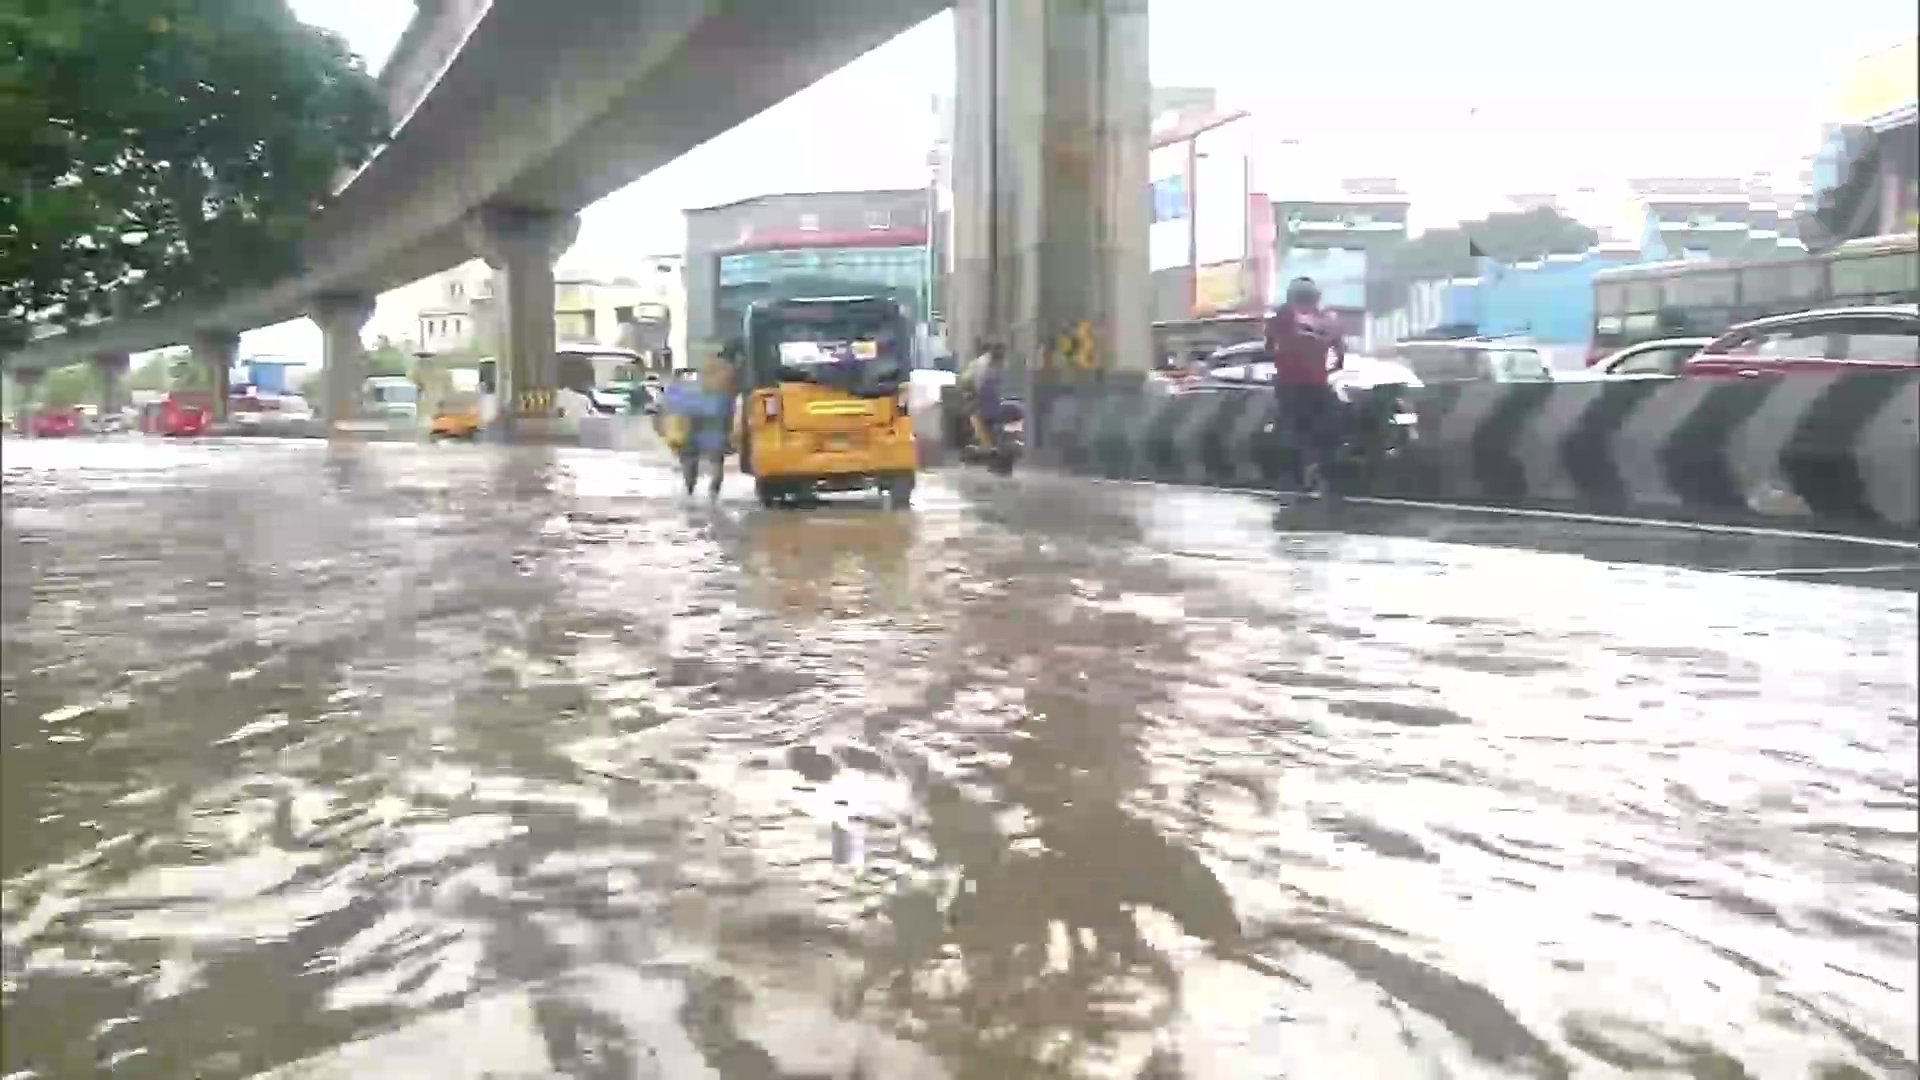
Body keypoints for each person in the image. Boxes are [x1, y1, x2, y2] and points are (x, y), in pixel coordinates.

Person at [1265, 277, 1347, 495]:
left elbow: (1269, 347)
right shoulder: (1328, 321)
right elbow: (1339, 357)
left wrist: (1282, 363)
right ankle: (1324, 473)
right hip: (1318, 385)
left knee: (1289, 430)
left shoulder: (1283, 316)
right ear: (1316, 297)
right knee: (1326, 431)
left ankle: (1291, 478)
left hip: (1290, 385)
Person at [659, 352, 735, 498]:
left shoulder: (721, 396)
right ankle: (702, 494)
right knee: (700, 468)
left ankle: (700, 493)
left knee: (704, 469)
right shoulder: (699, 393)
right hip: (698, 437)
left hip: (705, 437)